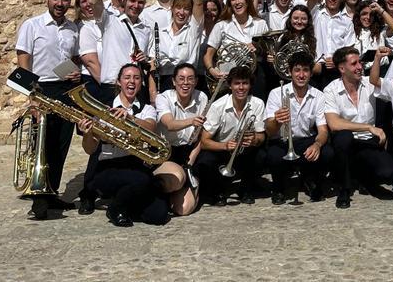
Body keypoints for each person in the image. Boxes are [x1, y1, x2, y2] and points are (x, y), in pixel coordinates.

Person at [14, 0, 80, 219]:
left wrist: (75, 71)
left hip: (66, 90)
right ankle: (39, 200)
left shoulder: (73, 28)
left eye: (64, 0)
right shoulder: (32, 26)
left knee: (62, 144)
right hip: (42, 90)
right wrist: (32, 99)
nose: (60, 4)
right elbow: (23, 64)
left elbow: (74, 59)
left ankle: (51, 193)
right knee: (42, 145)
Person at [78, 64, 169, 226]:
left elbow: (150, 128)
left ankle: (125, 205)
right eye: (127, 78)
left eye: (136, 78)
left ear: (141, 82)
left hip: (134, 164)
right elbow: (90, 149)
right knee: (142, 180)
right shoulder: (103, 108)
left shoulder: (146, 109)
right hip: (108, 166)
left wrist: (130, 119)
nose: (131, 81)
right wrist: (87, 133)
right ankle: (115, 208)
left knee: (159, 215)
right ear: (118, 82)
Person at [324, 47, 393, 208]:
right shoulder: (331, 90)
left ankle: (363, 176)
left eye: (360, 62)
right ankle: (344, 188)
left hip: (367, 143)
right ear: (342, 69)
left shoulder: (369, 83)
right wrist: (368, 127)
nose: (360, 67)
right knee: (344, 137)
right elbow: (334, 123)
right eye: (354, 64)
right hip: (346, 144)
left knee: (389, 172)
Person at [264, 52, 335, 204]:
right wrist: (277, 120)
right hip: (282, 141)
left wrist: (317, 144)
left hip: (305, 140)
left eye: (305, 70)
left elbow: (323, 131)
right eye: (297, 70)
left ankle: (310, 179)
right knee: (273, 155)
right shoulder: (277, 93)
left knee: (327, 152)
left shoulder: (318, 96)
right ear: (290, 72)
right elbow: (269, 131)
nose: (301, 75)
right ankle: (278, 187)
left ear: (310, 73)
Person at [89, 0, 153, 105]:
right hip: (111, 87)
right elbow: (92, 0)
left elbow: (152, 62)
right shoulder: (110, 19)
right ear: (125, 1)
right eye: (132, 2)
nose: (136, 5)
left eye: (140, 3)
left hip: (136, 88)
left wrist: (145, 59)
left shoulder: (146, 29)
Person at [195, 65, 266, 205]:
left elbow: (261, 136)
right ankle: (217, 191)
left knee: (261, 155)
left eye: (245, 83)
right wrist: (225, 146)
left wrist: (254, 140)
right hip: (222, 149)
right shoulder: (217, 106)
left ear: (250, 85)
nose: (241, 87)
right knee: (205, 161)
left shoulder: (257, 104)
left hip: (245, 150)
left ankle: (245, 189)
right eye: (237, 83)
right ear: (230, 85)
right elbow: (204, 141)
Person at [154, 63, 206, 215]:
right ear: (174, 81)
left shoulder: (202, 97)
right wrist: (192, 121)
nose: (185, 83)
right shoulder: (163, 98)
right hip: (166, 152)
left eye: (190, 79)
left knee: (183, 210)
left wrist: (190, 161)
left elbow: (201, 135)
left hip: (188, 151)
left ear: (196, 81)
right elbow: (169, 124)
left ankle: (192, 184)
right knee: (177, 177)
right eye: (181, 79)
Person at [204, 0, 269, 97]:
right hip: (229, 75)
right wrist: (211, 70)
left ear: (248, 1)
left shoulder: (260, 24)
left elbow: (267, 52)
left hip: (255, 76)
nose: (237, 2)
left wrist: (258, 48)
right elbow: (208, 54)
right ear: (230, 4)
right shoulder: (222, 25)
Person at [154, 0, 204, 95]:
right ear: (172, 9)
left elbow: (199, 4)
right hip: (164, 82)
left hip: (186, 80)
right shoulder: (162, 32)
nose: (181, 13)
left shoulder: (193, 30)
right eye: (178, 8)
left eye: (186, 9)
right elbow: (153, 64)